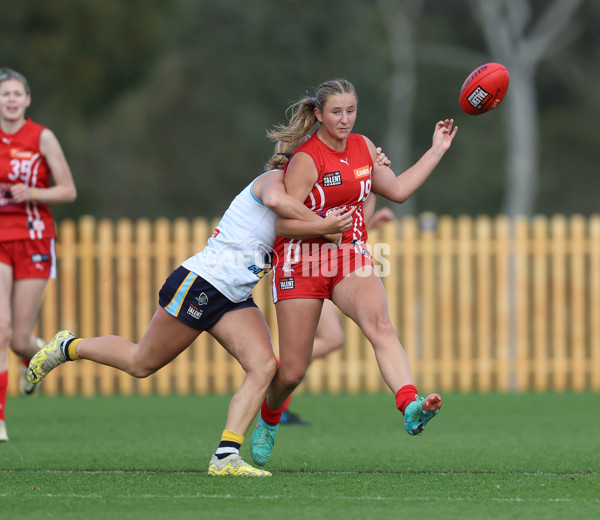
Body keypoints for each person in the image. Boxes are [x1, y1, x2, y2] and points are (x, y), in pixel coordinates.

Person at [26, 142, 391, 474]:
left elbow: (345, 231)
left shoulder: (311, 201)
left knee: (264, 366)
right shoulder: (273, 180)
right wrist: (329, 220)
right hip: (203, 282)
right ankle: (67, 346)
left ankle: (226, 456)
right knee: (141, 363)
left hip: (235, 296)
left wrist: (368, 180)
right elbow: (285, 207)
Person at [250, 78, 458, 467]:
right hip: (301, 262)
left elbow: (396, 190)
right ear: (318, 114)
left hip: (350, 256)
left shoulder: (363, 147)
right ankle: (270, 417)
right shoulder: (307, 160)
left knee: (380, 325)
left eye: (351, 111)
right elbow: (281, 226)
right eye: (336, 112)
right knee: (292, 371)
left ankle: (409, 404)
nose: (345, 119)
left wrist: (436, 150)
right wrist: (323, 226)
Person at [0, 68, 77, 443]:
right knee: (0, 327)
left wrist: (32, 193)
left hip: (33, 239)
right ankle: (0, 420)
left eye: (17, 93)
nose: (11, 99)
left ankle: (41, 356)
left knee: (17, 339)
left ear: (27, 99)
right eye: (4, 94)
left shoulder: (41, 136)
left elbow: (67, 191)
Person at [280, 206, 395, 425]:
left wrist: (371, 224)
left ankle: (282, 379)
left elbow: (336, 238)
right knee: (326, 342)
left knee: (332, 339)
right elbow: (320, 234)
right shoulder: (307, 192)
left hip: (321, 270)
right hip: (305, 272)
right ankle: (280, 382)